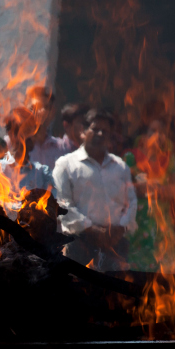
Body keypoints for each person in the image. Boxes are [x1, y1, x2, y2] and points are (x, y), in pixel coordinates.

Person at [53, 109, 137, 271]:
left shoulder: (120, 167)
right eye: (95, 129)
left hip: (115, 246)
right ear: (83, 132)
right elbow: (63, 205)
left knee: (116, 293)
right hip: (79, 244)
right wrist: (91, 228)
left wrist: (120, 227)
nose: (100, 134)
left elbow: (131, 201)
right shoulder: (66, 165)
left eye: (105, 131)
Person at [123, 117, 175, 272]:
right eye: (153, 131)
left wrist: (147, 189)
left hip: (161, 227)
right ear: (143, 134)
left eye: (162, 132)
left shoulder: (170, 159)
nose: (158, 135)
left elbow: (173, 191)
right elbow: (123, 189)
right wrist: (152, 188)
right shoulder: (130, 157)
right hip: (137, 227)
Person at [0, 107, 54, 218]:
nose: (31, 137)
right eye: (26, 131)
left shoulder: (42, 172)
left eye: (33, 131)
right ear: (12, 135)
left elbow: (52, 207)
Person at [21, 86, 70, 170]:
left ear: (52, 112)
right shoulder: (12, 145)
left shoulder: (62, 149)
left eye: (45, 107)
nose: (40, 112)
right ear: (25, 110)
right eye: (34, 107)